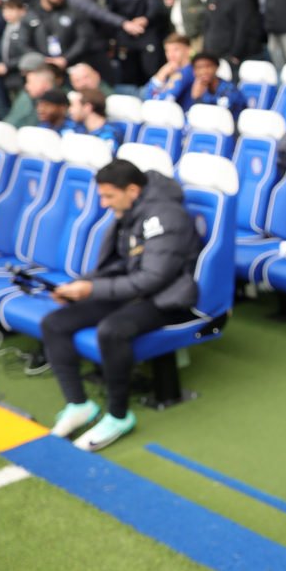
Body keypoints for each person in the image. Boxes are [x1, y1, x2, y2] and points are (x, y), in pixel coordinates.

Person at [43, 160, 203, 452]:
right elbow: (120, 262)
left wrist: (92, 289)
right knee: (54, 323)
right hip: (134, 290)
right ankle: (79, 405)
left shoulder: (165, 217)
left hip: (166, 298)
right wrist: (81, 287)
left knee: (111, 331)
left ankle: (118, 415)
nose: (103, 204)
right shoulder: (132, 209)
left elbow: (153, 279)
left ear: (132, 190)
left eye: (108, 197)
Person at [23, 0, 100, 75]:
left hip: (73, 66)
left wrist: (66, 58)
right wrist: (42, 60)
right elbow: (24, 42)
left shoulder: (73, 11)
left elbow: (84, 38)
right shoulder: (31, 14)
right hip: (42, 68)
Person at [200, 0, 263, 71]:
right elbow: (207, 25)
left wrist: (235, 55)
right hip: (213, 56)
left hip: (232, 59)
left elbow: (244, 28)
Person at [67, 89, 123, 154]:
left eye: (73, 106)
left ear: (87, 107)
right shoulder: (78, 129)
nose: (70, 110)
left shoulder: (110, 133)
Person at [144, 33, 195, 102]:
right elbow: (146, 95)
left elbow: (165, 101)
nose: (171, 54)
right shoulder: (170, 71)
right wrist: (160, 75)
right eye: (167, 50)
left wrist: (161, 75)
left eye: (176, 49)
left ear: (188, 50)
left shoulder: (188, 71)